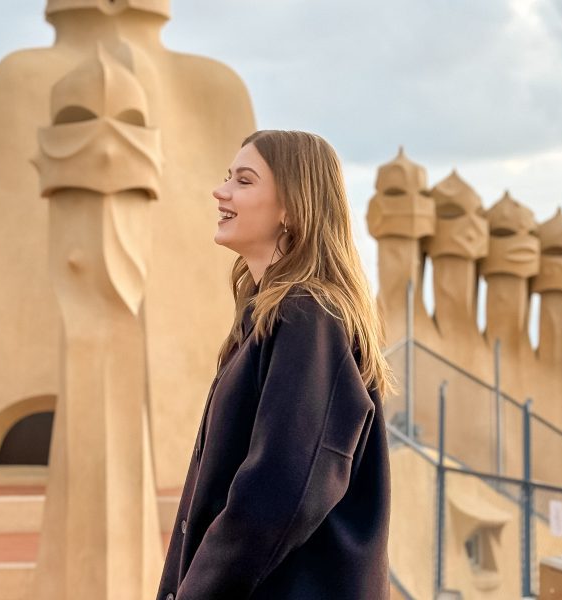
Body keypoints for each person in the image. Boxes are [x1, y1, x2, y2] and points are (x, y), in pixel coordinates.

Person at [156, 130, 395, 600]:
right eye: (228, 178)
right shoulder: (266, 317)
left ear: (291, 207)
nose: (220, 191)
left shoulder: (309, 315)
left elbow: (282, 489)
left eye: (244, 182)